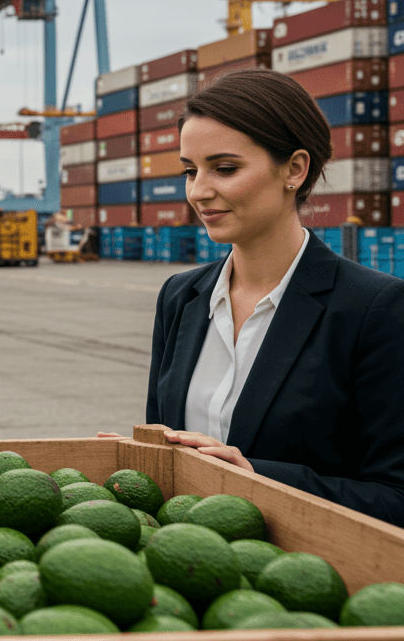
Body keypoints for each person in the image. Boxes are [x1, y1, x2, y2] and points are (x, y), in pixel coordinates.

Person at [145, 68, 404, 524]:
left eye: (225, 168)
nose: (199, 191)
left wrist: (256, 479)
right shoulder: (180, 297)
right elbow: (164, 448)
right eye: (190, 171)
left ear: (295, 169)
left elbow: (395, 496)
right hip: (182, 568)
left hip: (304, 581)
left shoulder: (375, 309)